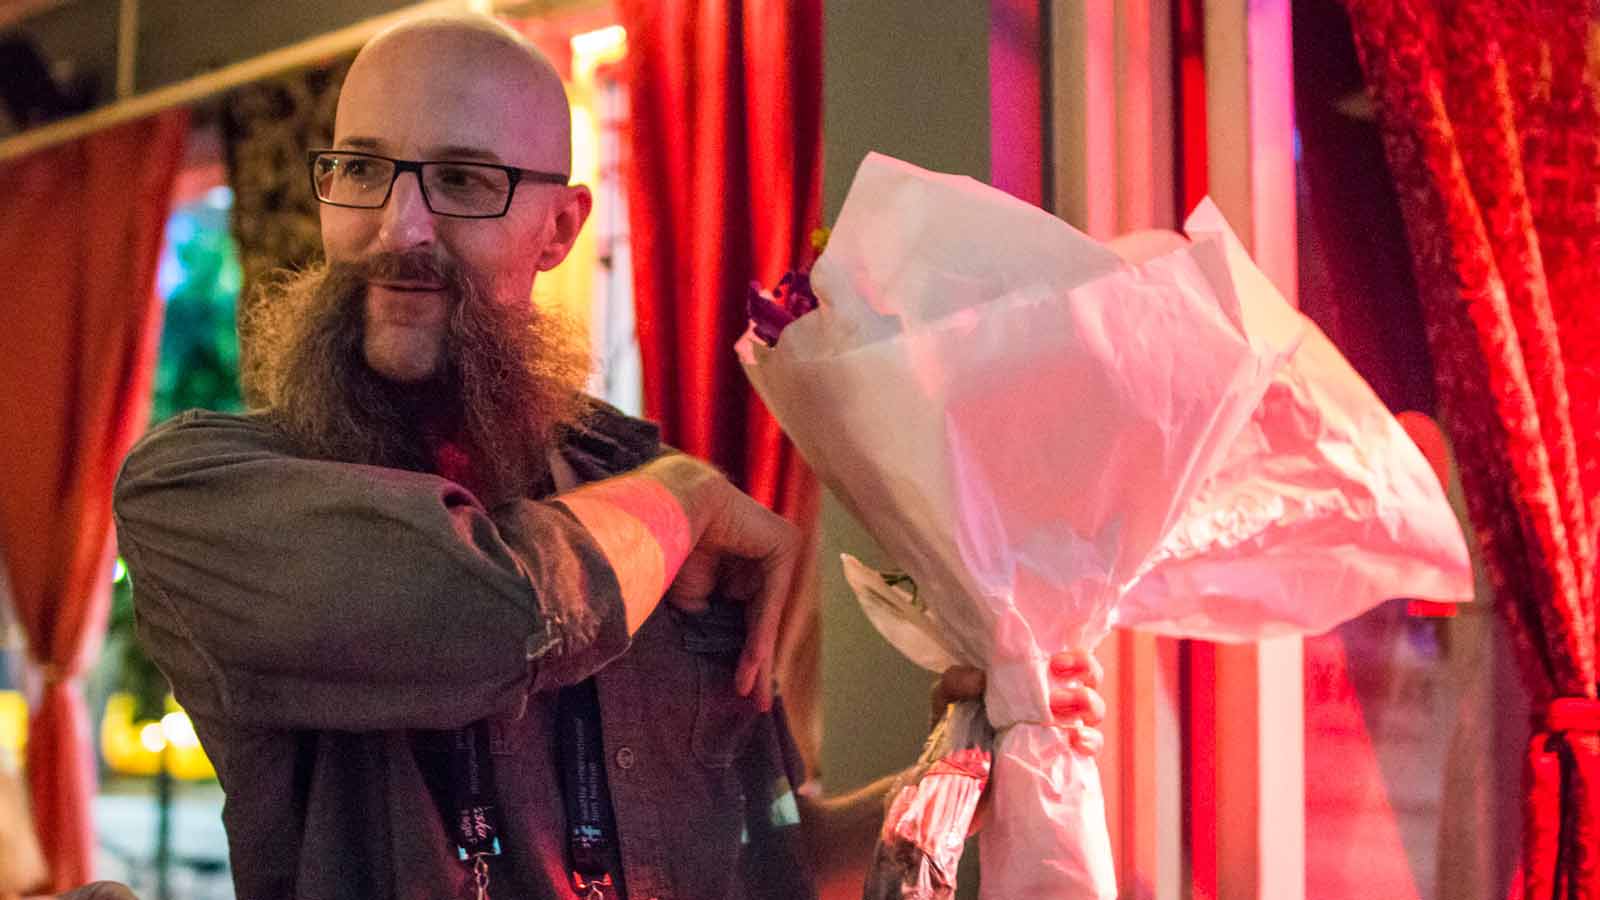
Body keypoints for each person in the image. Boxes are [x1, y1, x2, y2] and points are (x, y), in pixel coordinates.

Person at [112, 14, 1105, 900]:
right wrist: (681, 500)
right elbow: (487, 617)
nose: (398, 228)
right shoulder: (203, 492)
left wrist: (963, 765)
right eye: (363, 169)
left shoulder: (642, 495)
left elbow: (770, 865)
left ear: (560, 230)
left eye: (461, 180)